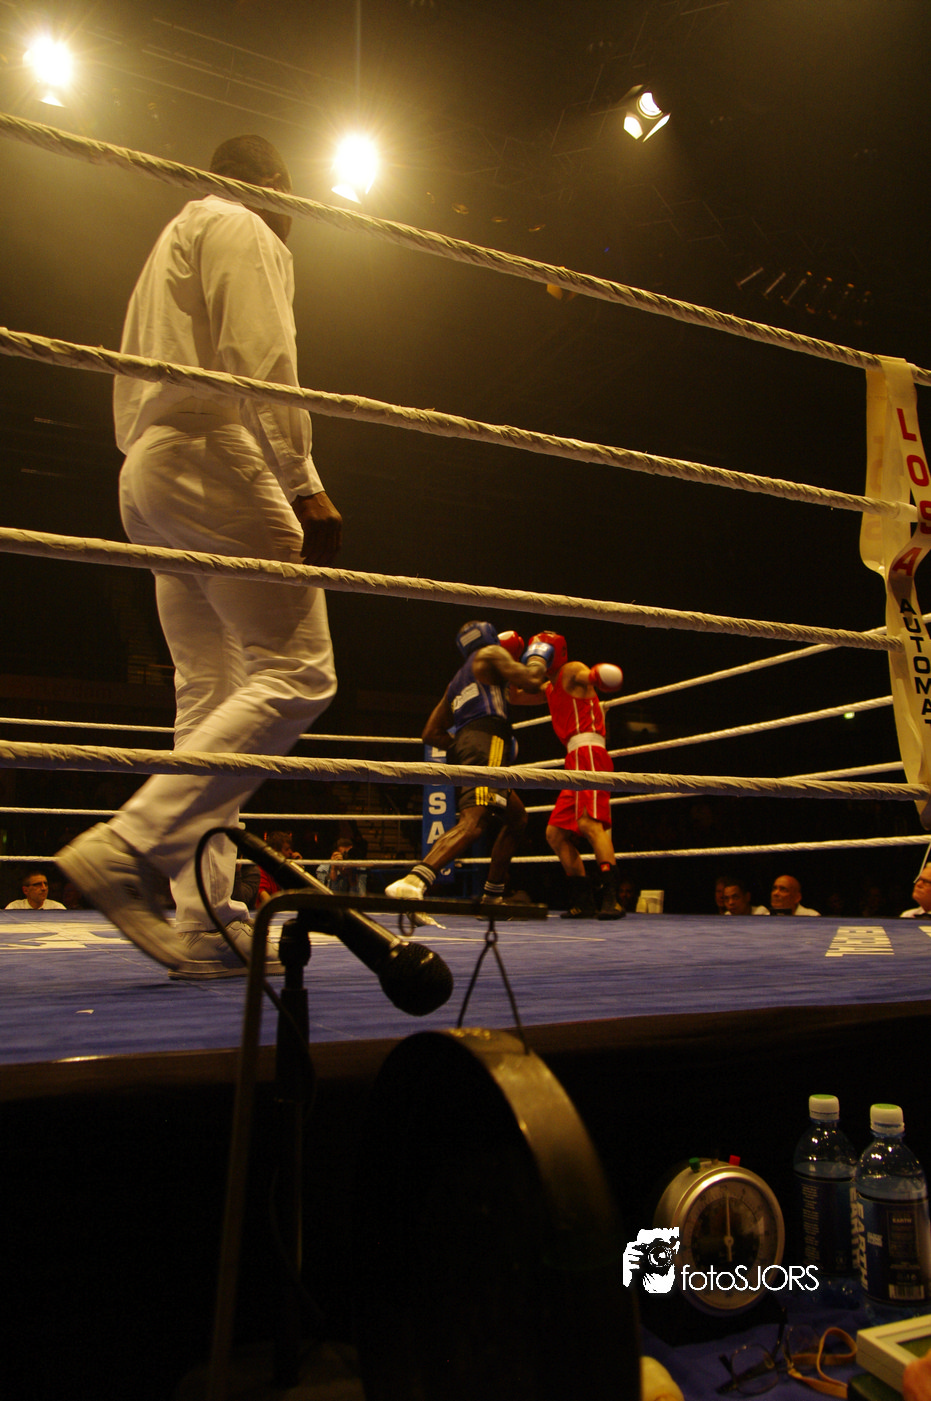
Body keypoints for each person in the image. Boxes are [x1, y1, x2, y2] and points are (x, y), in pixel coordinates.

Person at [56, 134, 340, 979]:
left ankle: (203, 919)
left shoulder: (172, 239)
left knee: (209, 693)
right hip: (211, 452)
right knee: (299, 670)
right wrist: (304, 481)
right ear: (275, 181)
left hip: (146, 474)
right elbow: (263, 355)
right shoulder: (241, 221)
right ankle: (130, 844)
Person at [385, 621, 547, 908]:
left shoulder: (457, 680)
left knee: (517, 818)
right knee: (475, 821)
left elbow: (430, 733)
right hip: (488, 739)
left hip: (469, 744)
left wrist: (462, 745)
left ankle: (492, 896)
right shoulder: (491, 654)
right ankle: (413, 881)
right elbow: (532, 680)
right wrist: (538, 655)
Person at [518, 630, 626, 919]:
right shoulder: (549, 687)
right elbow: (514, 696)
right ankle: (584, 899)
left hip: (589, 752)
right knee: (555, 834)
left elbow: (587, 676)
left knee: (590, 824)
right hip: (573, 759)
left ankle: (612, 898)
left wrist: (597, 676)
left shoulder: (571, 670)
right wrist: (506, 661)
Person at [257, 829, 303, 908]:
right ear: (275, 852)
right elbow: (264, 896)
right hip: (269, 911)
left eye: (291, 849)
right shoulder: (262, 868)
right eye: (287, 849)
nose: (291, 852)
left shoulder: (286, 869)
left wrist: (299, 869)